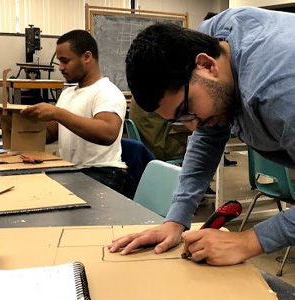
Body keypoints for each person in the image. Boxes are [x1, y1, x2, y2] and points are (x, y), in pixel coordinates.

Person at [109, 7, 295, 265]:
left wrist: (249, 241)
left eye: (186, 111)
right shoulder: (211, 43)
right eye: (179, 119)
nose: (193, 128)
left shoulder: (277, 89)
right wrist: (176, 221)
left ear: (207, 65)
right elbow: (207, 137)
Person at [21, 30, 128, 196]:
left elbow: (108, 133)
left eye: (65, 61)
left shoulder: (107, 92)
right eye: (59, 62)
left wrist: (57, 113)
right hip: (74, 171)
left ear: (86, 57)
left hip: (103, 173)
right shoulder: (68, 93)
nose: (61, 68)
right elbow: (50, 134)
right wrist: (13, 123)